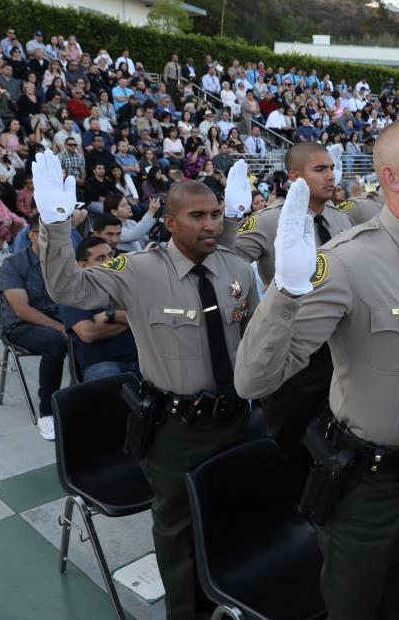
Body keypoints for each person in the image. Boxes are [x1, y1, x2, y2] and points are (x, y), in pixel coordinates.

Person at [233, 117, 399, 620]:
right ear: (391, 177)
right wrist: (284, 293)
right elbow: (252, 381)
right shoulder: (345, 262)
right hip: (368, 488)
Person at [34, 153, 257, 619]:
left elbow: (253, 333)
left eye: (216, 213)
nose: (211, 224)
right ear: (170, 222)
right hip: (177, 430)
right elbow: (69, 290)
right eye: (197, 215)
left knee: (232, 517)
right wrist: (55, 226)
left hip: (236, 418)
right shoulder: (138, 270)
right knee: (178, 531)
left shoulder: (235, 269)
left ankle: (227, 600)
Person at [222, 146, 353, 480]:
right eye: (320, 169)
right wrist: (231, 221)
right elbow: (224, 264)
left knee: (333, 441)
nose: (331, 176)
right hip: (293, 354)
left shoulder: (340, 218)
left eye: (332, 168)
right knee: (289, 445)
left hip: (338, 350)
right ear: (295, 177)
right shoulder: (269, 221)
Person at [0, 216, 67, 440]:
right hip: (21, 325)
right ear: (33, 236)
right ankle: (47, 412)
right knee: (55, 342)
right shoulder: (13, 264)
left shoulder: (62, 260)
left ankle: (83, 395)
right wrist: (61, 327)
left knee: (87, 332)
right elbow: (21, 309)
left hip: (56, 318)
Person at [59, 236, 140, 381]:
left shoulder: (127, 286)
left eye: (110, 255)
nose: (110, 261)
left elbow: (153, 316)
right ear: (82, 265)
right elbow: (89, 333)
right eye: (101, 258)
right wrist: (134, 320)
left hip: (144, 361)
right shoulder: (73, 293)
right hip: (102, 365)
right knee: (113, 383)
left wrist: (111, 315)